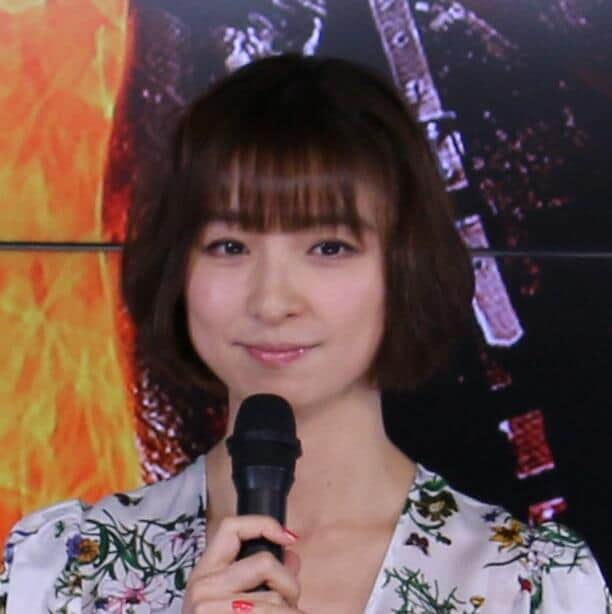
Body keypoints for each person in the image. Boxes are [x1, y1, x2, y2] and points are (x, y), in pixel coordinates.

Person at [0, 54, 609, 614]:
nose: (272, 302)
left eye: (328, 247)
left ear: (405, 268)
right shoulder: (66, 571)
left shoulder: (527, 585)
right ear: (177, 270)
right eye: (229, 246)